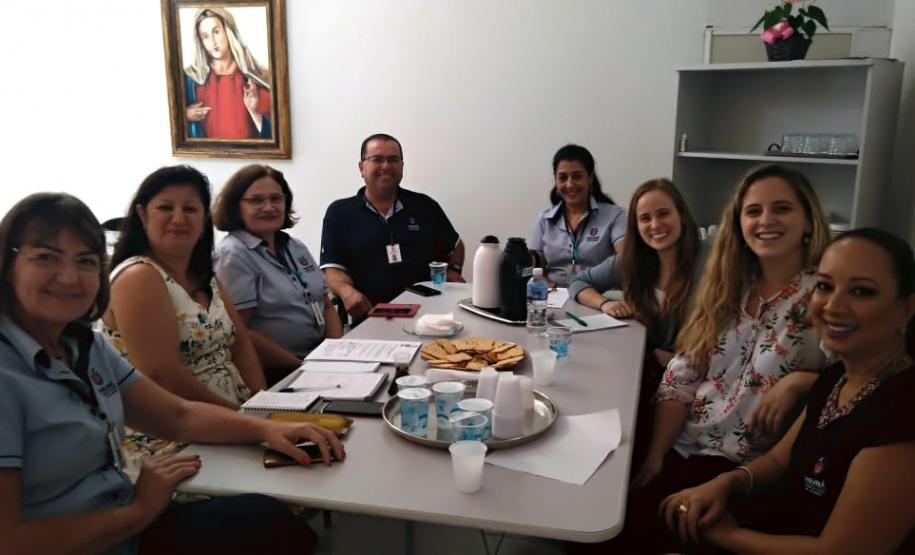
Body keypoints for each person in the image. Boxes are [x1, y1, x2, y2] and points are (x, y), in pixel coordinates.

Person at [0, 192, 344, 554]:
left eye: (86, 260)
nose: (70, 277)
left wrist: (269, 428)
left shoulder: (84, 346)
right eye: (45, 257)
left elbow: (177, 415)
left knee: (271, 523)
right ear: (7, 267)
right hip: (102, 535)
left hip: (123, 525)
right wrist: (139, 509)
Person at [600, 164, 832, 553]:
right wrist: (655, 458)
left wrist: (803, 382)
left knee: (624, 534)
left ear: (808, 220)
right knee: (600, 512)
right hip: (685, 445)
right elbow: (683, 376)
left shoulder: (824, 296)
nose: (766, 221)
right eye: (753, 211)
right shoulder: (730, 286)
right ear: (739, 223)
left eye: (782, 209)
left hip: (749, 469)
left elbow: (859, 382)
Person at [661, 228, 915, 553]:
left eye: (862, 291)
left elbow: (840, 551)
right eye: (825, 286)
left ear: (906, 309)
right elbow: (780, 463)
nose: (833, 306)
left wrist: (726, 536)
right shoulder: (836, 377)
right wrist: (725, 485)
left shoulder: (903, 413)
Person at [101, 165, 266, 471]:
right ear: (142, 214)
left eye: (190, 209)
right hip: (173, 438)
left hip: (234, 419)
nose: (178, 218)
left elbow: (240, 343)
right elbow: (164, 377)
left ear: (204, 219)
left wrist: (261, 404)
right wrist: (246, 422)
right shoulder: (139, 276)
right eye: (165, 207)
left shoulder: (204, 277)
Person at [213, 164, 343, 382]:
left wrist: (335, 353)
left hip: (319, 360)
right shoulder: (233, 255)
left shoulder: (295, 246)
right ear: (236, 207)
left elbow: (326, 304)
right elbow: (239, 332)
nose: (268, 207)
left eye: (276, 199)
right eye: (256, 200)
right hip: (276, 372)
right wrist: (301, 366)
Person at [320, 133, 465, 320]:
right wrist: (346, 291)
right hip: (370, 316)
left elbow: (455, 246)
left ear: (402, 167)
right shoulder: (339, 213)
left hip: (429, 315)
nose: (386, 166)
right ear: (362, 167)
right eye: (377, 159)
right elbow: (332, 269)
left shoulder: (425, 206)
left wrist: (453, 270)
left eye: (393, 160)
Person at [529, 144, 625, 287]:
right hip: (554, 298)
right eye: (563, 177)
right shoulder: (544, 220)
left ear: (590, 177)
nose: (570, 184)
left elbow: (625, 262)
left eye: (577, 176)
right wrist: (550, 289)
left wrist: (582, 287)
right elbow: (536, 271)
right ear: (555, 180)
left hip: (598, 297)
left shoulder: (615, 216)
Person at [184, 7, 272, 140]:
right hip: (208, 158)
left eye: (216, 32)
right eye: (205, 36)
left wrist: (255, 112)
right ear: (200, 41)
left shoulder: (255, 78)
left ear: (228, 32)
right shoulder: (191, 80)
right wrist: (184, 115)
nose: (213, 41)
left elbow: (277, 132)